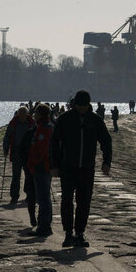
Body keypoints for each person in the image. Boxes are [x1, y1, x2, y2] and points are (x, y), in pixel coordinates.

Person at [50, 90, 112, 248]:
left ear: (88, 104)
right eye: (79, 106)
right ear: (74, 104)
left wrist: (107, 162)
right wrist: (54, 165)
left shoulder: (95, 120)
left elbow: (106, 141)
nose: (82, 109)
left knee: (84, 202)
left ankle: (80, 233)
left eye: (84, 106)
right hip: (67, 167)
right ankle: (68, 233)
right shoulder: (64, 119)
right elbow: (54, 143)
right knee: (66, 201)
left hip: (87, 168)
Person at [20, 104, 55, 237]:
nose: (33, 115)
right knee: (44, 197)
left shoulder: (44, 129)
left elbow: (41, 149)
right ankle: (44, 224)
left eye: (35, 113)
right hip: (44, 166)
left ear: (40, 114)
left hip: (41, 167)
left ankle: (44, 226)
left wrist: (32, 162)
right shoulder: (47, 127)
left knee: (43, 198)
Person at [3, 107, 35, 205]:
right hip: (16, 151)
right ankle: (14, 196)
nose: (22, 117)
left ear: (27, 114)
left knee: (29, 175)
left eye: (24, 115)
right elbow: (7, 136)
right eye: (20, 115)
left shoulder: (32, 123)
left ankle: (29, 194)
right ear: (18, 114)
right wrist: (5, 149)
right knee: (16, 175)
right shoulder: (13, 123)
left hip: (28, 152)